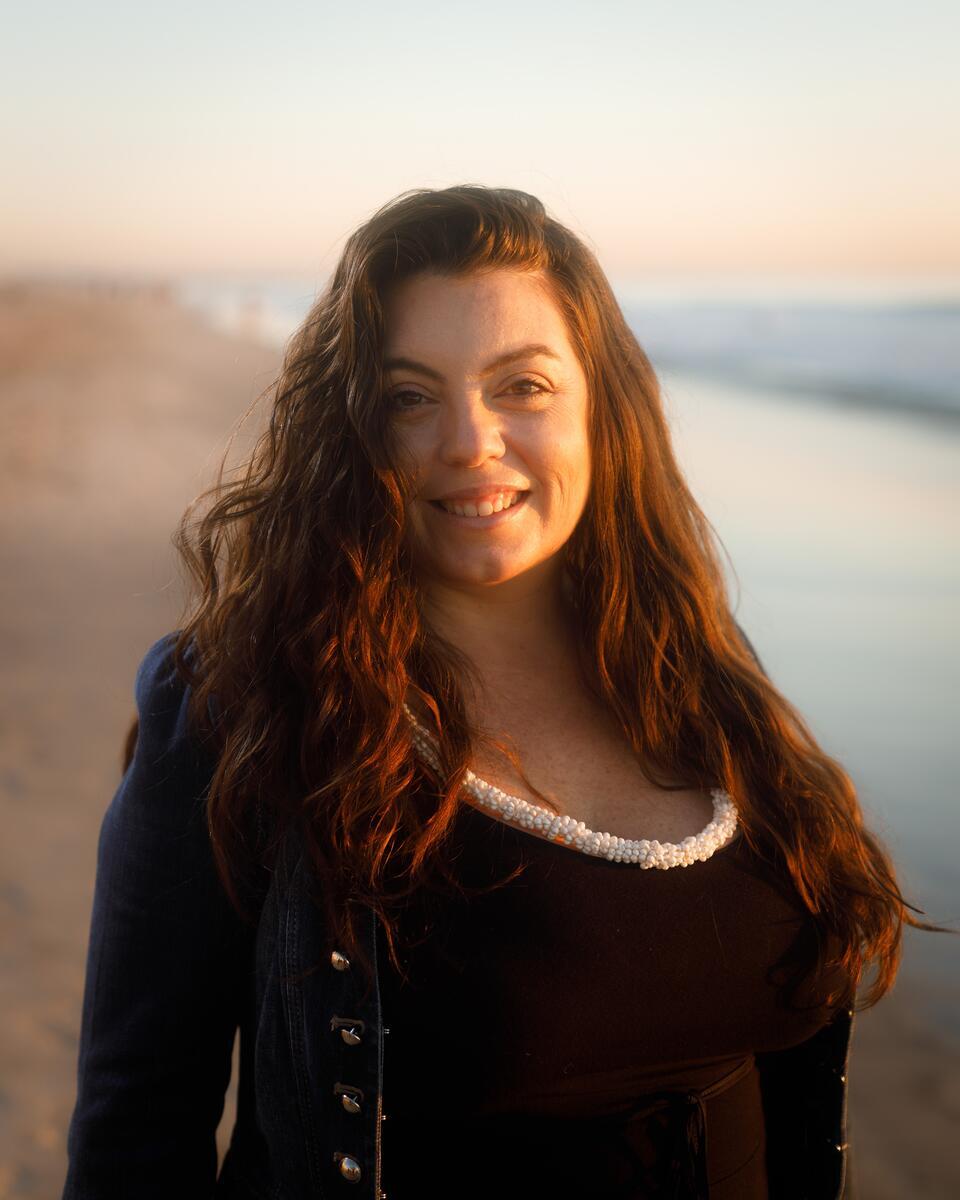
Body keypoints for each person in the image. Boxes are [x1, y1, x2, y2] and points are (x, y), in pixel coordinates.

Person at [63, 185, 923, 1199]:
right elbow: (136, 1134)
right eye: (410, 396)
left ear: (603, 404)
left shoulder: (691, 666)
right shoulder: (238, 708)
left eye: (522, 386)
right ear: (353, 432)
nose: (470, 441)